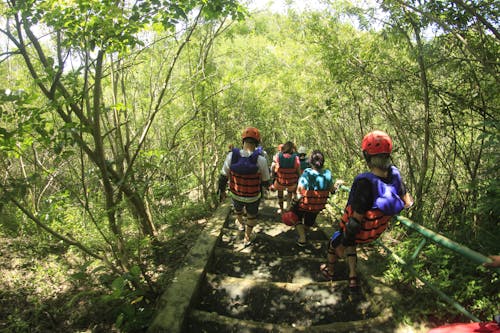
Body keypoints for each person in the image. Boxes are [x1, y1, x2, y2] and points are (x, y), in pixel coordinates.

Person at [320, 130, 413, 289]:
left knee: (334, 242)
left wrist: (343, 243)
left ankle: (329, 269)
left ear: (367, 157)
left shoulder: (365, 183)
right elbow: (408, 203)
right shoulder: (395, 176)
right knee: (351, 241)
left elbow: (354, 223)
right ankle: (352, 277)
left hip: (359, 233)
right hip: (374, 234)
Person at [218, 127, 271, 246]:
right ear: (257, 143)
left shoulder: (231, 156)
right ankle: (247, 238)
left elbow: (223, 177)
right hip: (253, 196)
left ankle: (240, 223)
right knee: (252, 215)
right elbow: (266, 181)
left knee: (238, 210)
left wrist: (221, 192)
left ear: (243, 141)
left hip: (236, 194)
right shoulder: (261, 160)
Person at [289, 150, 343, 247]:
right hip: (316, 207)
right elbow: (332, 190)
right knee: (309, 220)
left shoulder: (306, 174)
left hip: (304, 205)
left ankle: (302, 237)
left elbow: (299, 193)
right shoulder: (327, 174)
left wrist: (292, 204)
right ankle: (305, 231)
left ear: (310, 161)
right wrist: (337, 184)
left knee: (295, 216)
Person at [272, 141, 301, 214]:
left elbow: (273, 166)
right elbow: (298, 171)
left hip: (280, 182)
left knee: (280, 194)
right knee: (290, 193)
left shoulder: (278, 156)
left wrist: (273, 175)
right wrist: (298, 178)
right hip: (291, 183)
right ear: (292, 149)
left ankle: (281, 209)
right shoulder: (296, 158)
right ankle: (288, 208)